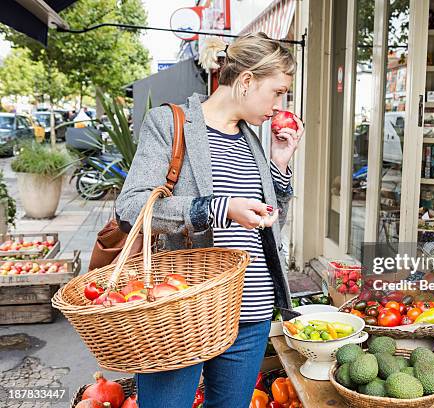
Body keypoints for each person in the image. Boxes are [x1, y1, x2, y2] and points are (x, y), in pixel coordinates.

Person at [115, 32, 303, 408]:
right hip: (182, 313)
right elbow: (131, 207)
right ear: (247, 81)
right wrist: (218, 208)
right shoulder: (170, 124)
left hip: (250, 311)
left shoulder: (252, 137)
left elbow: (265, 218)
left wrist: (279, 163)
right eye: (278, 92)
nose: (281, 103)